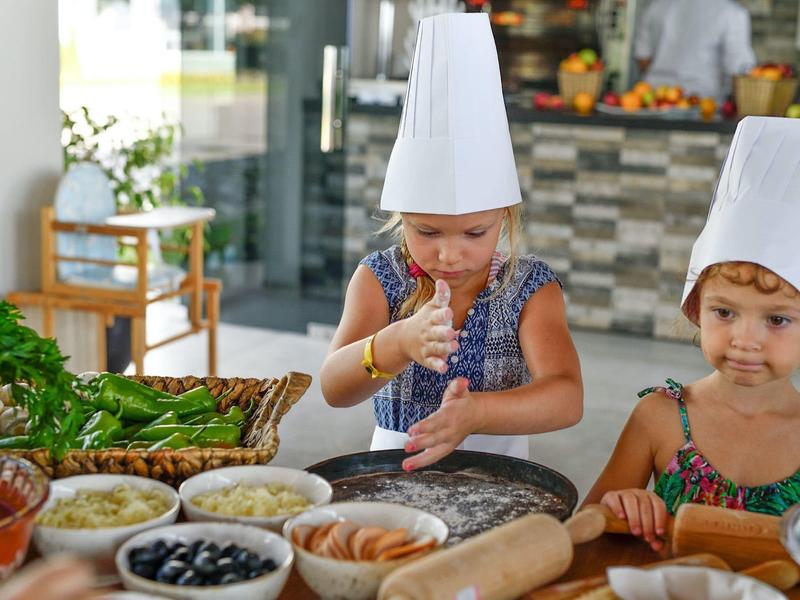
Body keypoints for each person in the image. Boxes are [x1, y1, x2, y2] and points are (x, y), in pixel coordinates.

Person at [319, 12, 583, 471]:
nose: (450, 254)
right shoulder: (380, 279)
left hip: (499, 476)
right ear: (402, 219)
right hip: (392, 471)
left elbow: (567, 396)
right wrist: (397, 341)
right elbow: (333, 389)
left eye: (475, 233)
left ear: (504, 217)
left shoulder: (529, 288)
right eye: (427, 231)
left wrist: (477, 412)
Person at [583, 116, 800, 551]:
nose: (745, 339)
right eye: (725, 312)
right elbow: (587, 526)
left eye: (776, 320)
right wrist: (619, 506)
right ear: (696, 306)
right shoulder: (659, 417)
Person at [634, 0, 756, 100]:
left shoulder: (656, 7)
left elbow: (643, 59)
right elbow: (740, 73)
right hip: (702, 106)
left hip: (651, 100)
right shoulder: (732, 12)